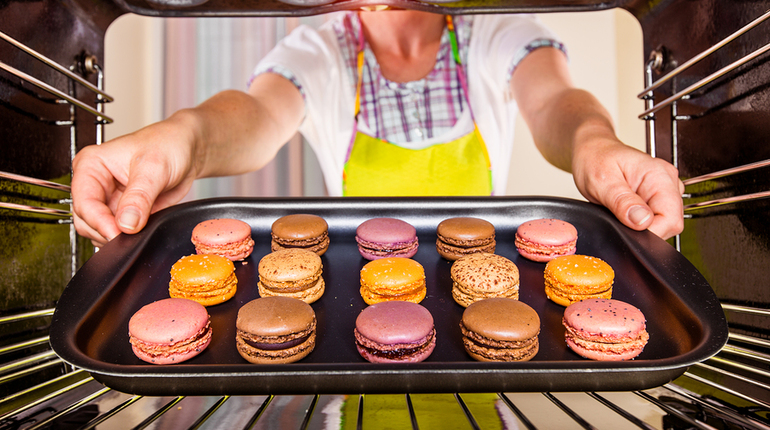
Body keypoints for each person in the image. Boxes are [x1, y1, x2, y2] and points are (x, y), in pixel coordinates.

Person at [71, 9, 684, 247]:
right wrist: (186, 137)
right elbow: (256, 116)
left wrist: (595, 143)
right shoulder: (321, 47)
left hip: (479, 285)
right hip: (358, 289)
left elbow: (555, 102)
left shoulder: (494, 31)